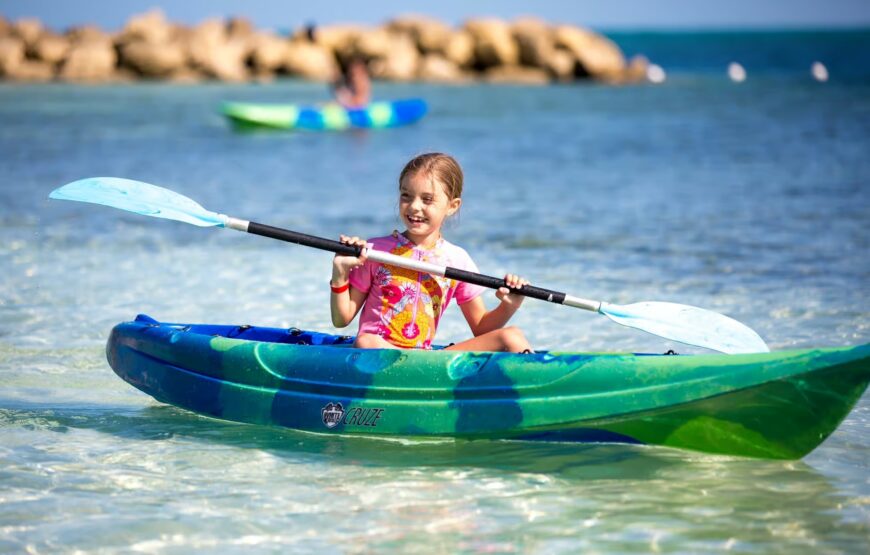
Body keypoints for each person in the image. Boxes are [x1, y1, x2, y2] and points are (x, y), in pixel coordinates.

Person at [329, 153, 533, 353]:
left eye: (427, 199)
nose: (414, 207)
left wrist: (509, 305)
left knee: (511, 337)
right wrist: (340, 273)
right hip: (376, 353)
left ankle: (541, 383)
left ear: (452, 206)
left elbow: (481, 328)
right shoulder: (375, 251)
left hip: (423, 360)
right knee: (366, 341)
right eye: (406, 196)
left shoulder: (457, 259)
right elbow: (341, 320)